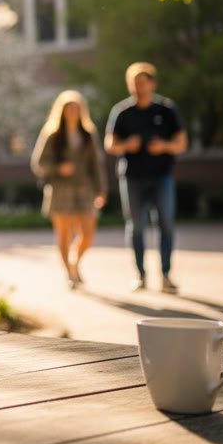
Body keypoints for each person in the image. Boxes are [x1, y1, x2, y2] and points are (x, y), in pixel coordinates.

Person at [105, 62, 188, 293]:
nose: (138, 87)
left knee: (166, 225)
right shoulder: (122, 112)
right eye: (134, 83)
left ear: (152, 83)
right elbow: (109, 144)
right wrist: (126, 145)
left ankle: (165, 275)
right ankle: (140, 275)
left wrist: (164, 146)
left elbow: (182, 143)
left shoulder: (167, 110)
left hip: (162, 176)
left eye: (142, 82)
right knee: (136, 227)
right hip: (132, 178)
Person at [30, 90, 108, 289]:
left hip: (85, 189)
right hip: (60, 190)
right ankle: (70, 273)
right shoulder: (53, 134)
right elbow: (38, 163)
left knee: (88, 234)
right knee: (64, 235)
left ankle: (74, 263)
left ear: (81, 111)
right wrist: (59, 168)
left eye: (76, 108)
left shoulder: (88, 134)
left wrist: (101, 190)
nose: (73, 112)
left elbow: (96, 165)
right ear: (62, 111)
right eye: (69, 108)